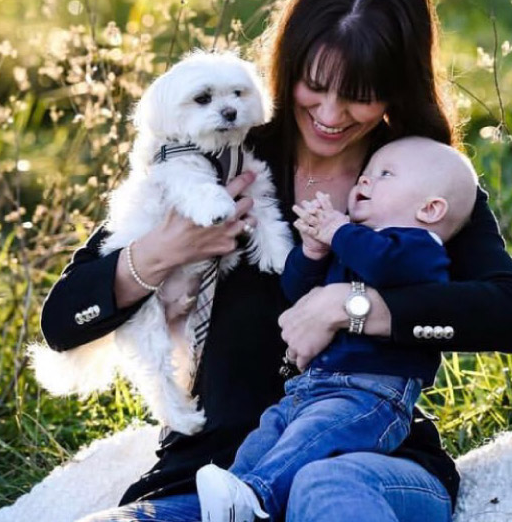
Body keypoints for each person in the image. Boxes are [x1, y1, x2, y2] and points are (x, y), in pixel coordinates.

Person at [41, 0, 512, 522]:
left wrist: (354, 307)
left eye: (360, 94)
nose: (330, 113)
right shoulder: (224, 153)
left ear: (398, 89)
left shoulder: (415, 179)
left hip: (360, 467)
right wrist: (164, 251)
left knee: (324, 493)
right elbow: (62, 320)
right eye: (316, 85)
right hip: (209, 477)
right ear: (286, 65)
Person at [195, 137, 479, 522]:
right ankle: (237, 492)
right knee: (268, 435)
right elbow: (298, 294)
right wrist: (312, 252)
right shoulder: (354, 246)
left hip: (370, 393)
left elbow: (385, 267)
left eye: (385, 174)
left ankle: (256, 495)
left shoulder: (417, 247)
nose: (364, 181)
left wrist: (338, 232)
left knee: (311, 437)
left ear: (429, 209)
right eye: (366, 173)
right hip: (310, 388)